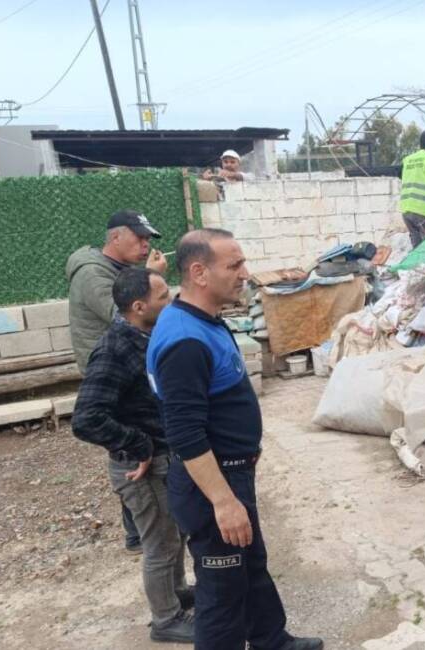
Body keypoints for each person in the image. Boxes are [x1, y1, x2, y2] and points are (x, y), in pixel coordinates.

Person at [147, 228, 322, 650]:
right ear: (199, 272)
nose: (246, 273)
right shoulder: (184, 341)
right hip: (212, 486)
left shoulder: (200, 319)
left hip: (231, 474)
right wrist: (224, 502)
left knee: (250, 565)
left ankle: (270, 641)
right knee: (222, 592)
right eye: (235, 265)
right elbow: (185, 432)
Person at [72, 267, 195, 644]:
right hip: (140, 467)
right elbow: (86, 418)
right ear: (139, 306)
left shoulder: (143, 336)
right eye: (162, 297)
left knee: (172, 534)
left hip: (161, 458)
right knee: (159, 543)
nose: (171, 300)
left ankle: (175, 592)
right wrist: (138, 444)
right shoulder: (115, 348)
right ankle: (166, 618)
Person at [67, 209, 168, 553]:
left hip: (126, 367)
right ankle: (137, 534)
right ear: (115, 238)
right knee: (129, 454)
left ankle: (142, 530)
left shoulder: (119, 270)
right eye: (138, 238)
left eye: (147, 240)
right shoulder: (93, 274)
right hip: (111, 370)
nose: (144, 245)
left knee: (140, 450)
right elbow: (124, 314)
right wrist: (150, 277)